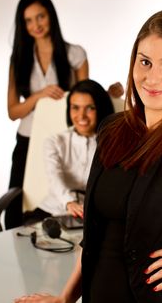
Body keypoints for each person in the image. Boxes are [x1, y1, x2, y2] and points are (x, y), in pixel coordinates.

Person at [14, 6, 162, 303]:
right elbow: (96, 232)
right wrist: (65, 298)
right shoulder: (113, 129)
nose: (152, 78)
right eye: (145, 62)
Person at [6, 0, 123, 229]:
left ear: (51, 16)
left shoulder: (74, 54)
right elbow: (13, 111)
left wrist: (108, 96)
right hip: (27, 139)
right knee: (16, 207)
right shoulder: (19, 58)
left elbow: (83, 96)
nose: (35, 25)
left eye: (40, 16)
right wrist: (39, 96)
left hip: (64, 135)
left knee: (68, 195)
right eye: (28, 20)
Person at [23, 79, 114, 224]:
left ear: (100, 108)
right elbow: (54, 177)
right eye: (75, 108)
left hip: (91, 213)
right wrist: (69, 202)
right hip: (52, 209)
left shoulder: (112, 145)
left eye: (90, 108)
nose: (81, 116)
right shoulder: (54, 142)